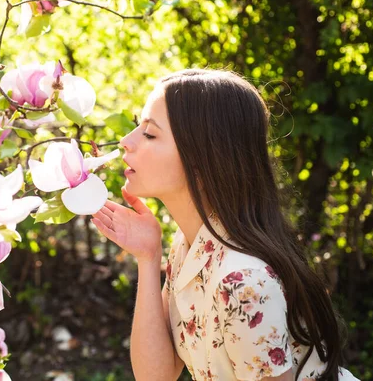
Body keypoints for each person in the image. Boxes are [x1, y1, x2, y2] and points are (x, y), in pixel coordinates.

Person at [91, 69, 359, 381]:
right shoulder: (191, 243)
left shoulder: (242, 282)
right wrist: (148, 258)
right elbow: (156, 375)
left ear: (202, 158)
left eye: (149, 134)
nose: (126, 141)